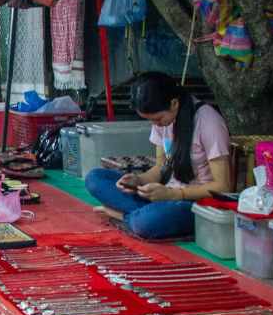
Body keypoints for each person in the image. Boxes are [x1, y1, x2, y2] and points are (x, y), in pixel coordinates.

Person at [85, 72, 232, 240]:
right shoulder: (163, 121)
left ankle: (121, 215)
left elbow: (223, 186)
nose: (156, 125)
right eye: (151, 121)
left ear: (174, 103)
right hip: (164, 196)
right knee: (95, 178)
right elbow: (160, 168)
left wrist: (174, 194)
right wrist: (138, 180)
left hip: (196, 203)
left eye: (158, 119)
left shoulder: (209, 122)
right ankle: (138, 215)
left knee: (146, 222)